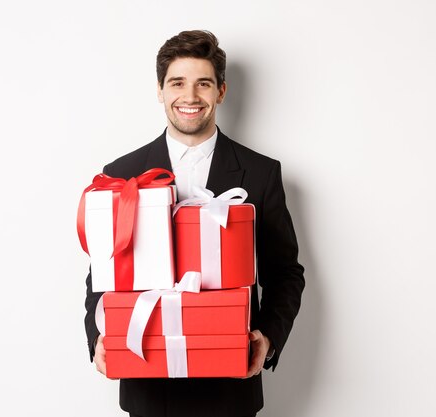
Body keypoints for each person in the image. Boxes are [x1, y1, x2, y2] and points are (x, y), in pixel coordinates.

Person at [84, 30, 305, 417]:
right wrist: (98, 338)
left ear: (221, 91)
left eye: (203, 83)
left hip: (229, 390)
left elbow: (285, 273)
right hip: (147, 382)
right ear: (160, 90)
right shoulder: (122, 173)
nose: (190, 97)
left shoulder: (260, 173)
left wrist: (266, 339)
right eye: (177, 83)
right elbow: (102, 274)